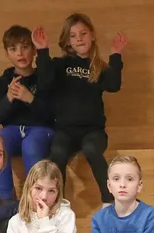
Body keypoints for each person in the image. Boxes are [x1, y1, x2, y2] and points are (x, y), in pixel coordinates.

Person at [34, 15, 127, 204]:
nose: (79, 39)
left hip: (93, 131)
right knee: (57, 154)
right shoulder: (61, 65)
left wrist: (116, 54)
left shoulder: (98, 67)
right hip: (65, 131)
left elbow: (114, 85)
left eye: (83, 33)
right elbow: (44, 82)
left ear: (92, 35)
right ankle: (57, 204)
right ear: (68, 41)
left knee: (92, 149)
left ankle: (109, 201)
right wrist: (42, 51)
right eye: (73, 35)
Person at [0, 25, 56, 206]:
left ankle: (35, 201)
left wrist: (30, 99)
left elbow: (50, 115)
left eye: (25, 47)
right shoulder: (5, 80)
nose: (20, 53)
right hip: (12, 131)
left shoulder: (42, 77)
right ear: (7, 54)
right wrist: (9, 98)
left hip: (41, 130)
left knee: (31, 144)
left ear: (34, 50)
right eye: (13, 49)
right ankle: (6, 201)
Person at [6, 159, 79, 233]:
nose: (44, 196)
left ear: (58, 194)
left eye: (51, 191)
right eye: (38, 188)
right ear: (29, 188)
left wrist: (44, 221)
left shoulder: (66, 215)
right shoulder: (15, 222)